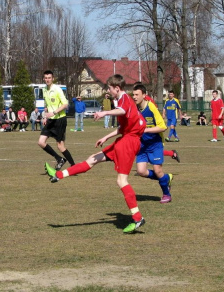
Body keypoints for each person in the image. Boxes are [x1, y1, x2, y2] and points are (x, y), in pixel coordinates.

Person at [44, 74, 147, 233]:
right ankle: (59, 175)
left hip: (129, 142)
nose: (108, 91)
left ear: (117, 88)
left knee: (121, 181)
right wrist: (106, 136)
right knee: (92, 159)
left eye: (110, 88)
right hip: (124, 139)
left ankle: (137, 217)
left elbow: (122, 111)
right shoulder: (120, 101)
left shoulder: (124, 100)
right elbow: (124, 126)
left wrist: (104, 113)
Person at [132, 84, 173, 203]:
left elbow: (163, 127)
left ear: (144, 95)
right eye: (133, 95)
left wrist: (145, 130)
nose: (134, 97)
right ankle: (166, 178)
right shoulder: (134, 109)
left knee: (157, 170)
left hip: (155, 143)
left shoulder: (151, 108)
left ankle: (167, 194)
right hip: (142, 144)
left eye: (137, 95)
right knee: (141, 171)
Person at [38, 70, 75, 170]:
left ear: (53, 78)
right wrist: (46, 116)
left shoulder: (57, 89)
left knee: (60, 146)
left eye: (49, 78)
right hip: (51, 120)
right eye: (45, 78)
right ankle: (59, 159)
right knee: (41, 142)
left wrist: (54, 113)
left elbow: (65, 104)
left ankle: (74, 166)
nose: (47, 80)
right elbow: (47, 105)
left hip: (60, 120)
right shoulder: (44, 89)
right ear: (43, 79)